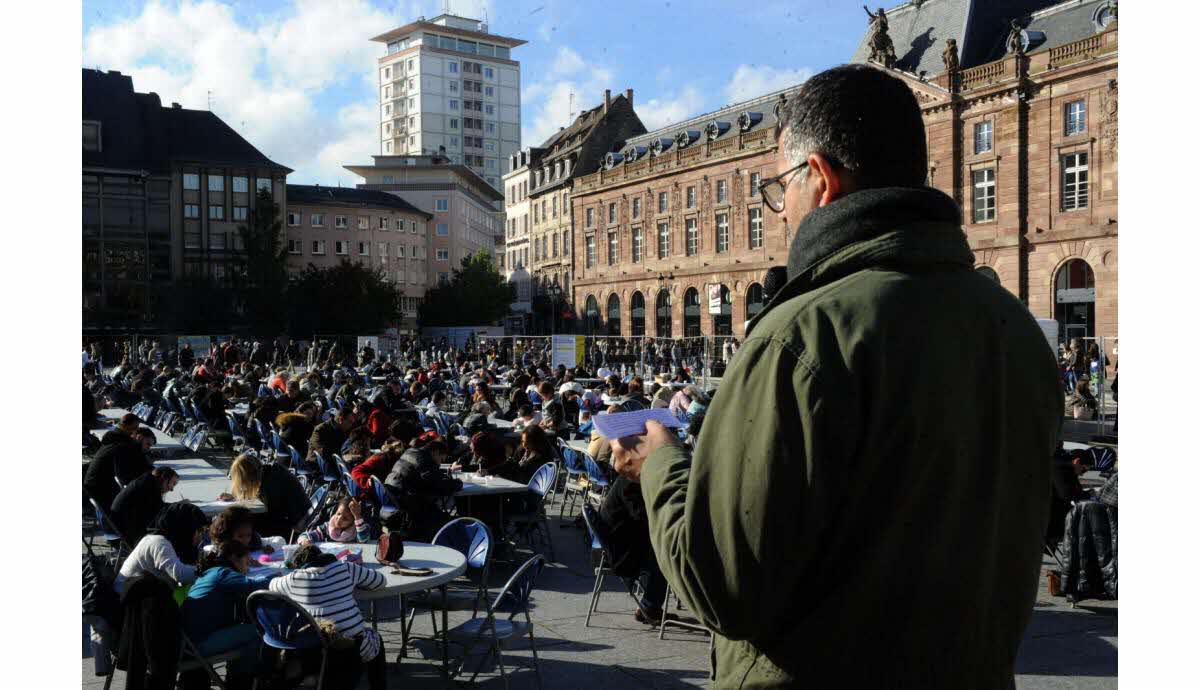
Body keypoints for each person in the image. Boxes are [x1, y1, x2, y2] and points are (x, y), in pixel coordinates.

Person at [608, 64, 1063, 687]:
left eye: (780, 187)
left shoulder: (802, 336)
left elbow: (723, 585)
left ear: (819, 179)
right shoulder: (1015, 330)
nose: (781, 211)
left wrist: (659, 460)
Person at [269, 544, 387, 690]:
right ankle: (378, 686)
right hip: (353, 646)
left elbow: (272, 585)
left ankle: (312, 675)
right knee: (376, 638)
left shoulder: (293, 580)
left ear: (299, 566)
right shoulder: (346, 568)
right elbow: (380, 581)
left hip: (313, 649)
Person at [179, 540, 268, 690]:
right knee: (258, 633)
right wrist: (280, 578)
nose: (247, 568)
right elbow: (255, 586)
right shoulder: (223, 573)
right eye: (246, 562)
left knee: (243, 628)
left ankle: (237, 678)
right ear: (234, 558)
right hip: (198, 644)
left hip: (186, 641)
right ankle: (240, 683)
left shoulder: (210, 573)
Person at [115, 501, 210, 594]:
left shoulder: (169, 540)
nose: (200, 535)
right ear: (185, 528)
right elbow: (179, 574)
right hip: (127, 599)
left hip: (140, 594)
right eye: (199, 530)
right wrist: (210, 570)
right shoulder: (158, 542)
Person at [218, 454, 310, 539]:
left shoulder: (273, 481)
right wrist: (235, 497)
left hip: (294, 527)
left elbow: (269, 512)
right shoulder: (267, 472)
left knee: (243, 525)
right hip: (288, 519)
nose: (243, 487)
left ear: (250, 477)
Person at [84, 420, 157, 512]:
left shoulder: (119, 442)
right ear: (139, 437)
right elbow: (126, 476)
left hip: (93, 488)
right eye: (147, 444)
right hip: (99, 493)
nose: (148, 449)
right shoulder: (125, 448)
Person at [110, 467, 179, 544]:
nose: (172, 489)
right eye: (173, 483)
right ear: (165, 479)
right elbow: (159, 509)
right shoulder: (149, 485)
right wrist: (179, 505)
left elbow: (157, 507)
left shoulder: (148, 480)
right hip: (126, 529)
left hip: (122, 523)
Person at [297, 497, 372, 545]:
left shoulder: (358, 530)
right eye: (338, 514)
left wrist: (357, 516)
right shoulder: (328, 528)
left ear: (353, 522)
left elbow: (364, 541)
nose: (339, 519)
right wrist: (304, 540)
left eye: (345, 519)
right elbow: (305, 535)